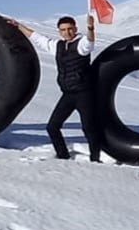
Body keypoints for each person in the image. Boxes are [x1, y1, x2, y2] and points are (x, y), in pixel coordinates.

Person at [7, 14, 102, 162]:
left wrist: (90, 28)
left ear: (75, 28)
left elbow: (89, 42)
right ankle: (63, 156)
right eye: (63, 30)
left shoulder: (81, 44)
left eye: (70, 29)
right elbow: (37, 38)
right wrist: (18, 26)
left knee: (89, 129)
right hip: (68, 95)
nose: (67, 32)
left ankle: (95, 160)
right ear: (59, 31)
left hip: (84, 94)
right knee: (52, 127)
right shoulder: (57, 46)